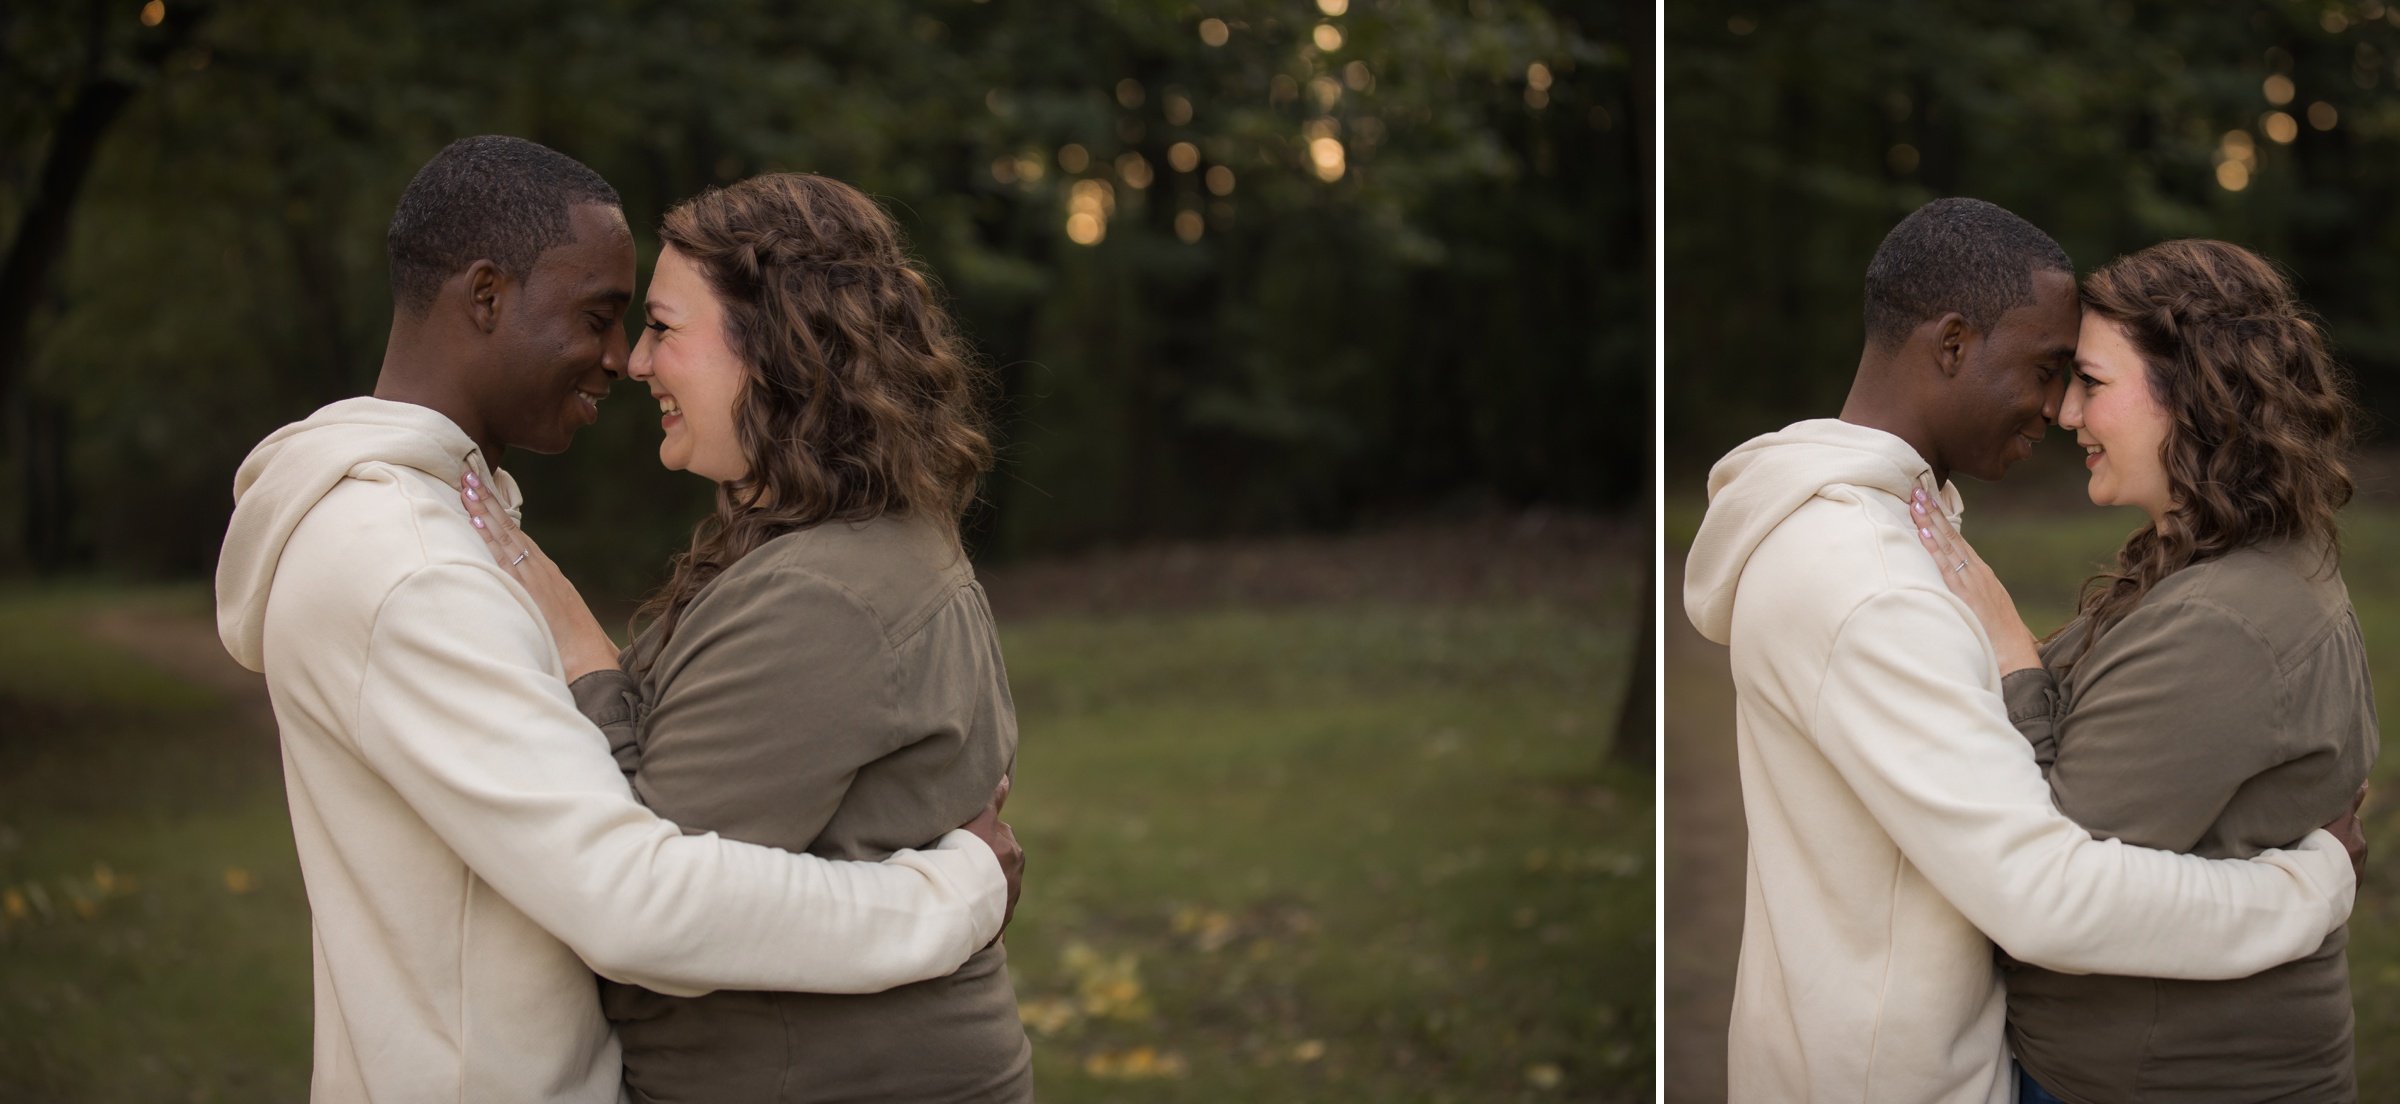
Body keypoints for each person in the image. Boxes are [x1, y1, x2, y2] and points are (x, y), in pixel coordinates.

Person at [214, 136, 1022, 1102]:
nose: (622, 357)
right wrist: (951, 893)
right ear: (485, 298)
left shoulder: (446, 530)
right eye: (601, 317)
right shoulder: (412, 566)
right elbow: (637, 900)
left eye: (646, 326)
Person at [1682, 197, 2361, 1104]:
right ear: (1954, 345)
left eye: (2080, 378)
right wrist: (2310, 884)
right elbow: (2043, 891)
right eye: (2047, 369)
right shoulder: (1869, 576)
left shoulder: (1892, 532)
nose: (2057, 406)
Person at [457, 171, 1031, 1102]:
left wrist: (582, 652)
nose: (636, 363)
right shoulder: (828, 548)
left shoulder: (829, 592)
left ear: (775, 350)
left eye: (664, 328)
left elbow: (643, 900)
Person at [1909, 239, 2375, 1103]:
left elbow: (2047, 876)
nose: (2064, 414)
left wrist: (2012, 647)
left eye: (2092, 382)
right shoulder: (2215, 555)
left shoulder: (2225, 618)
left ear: (2191, 395)